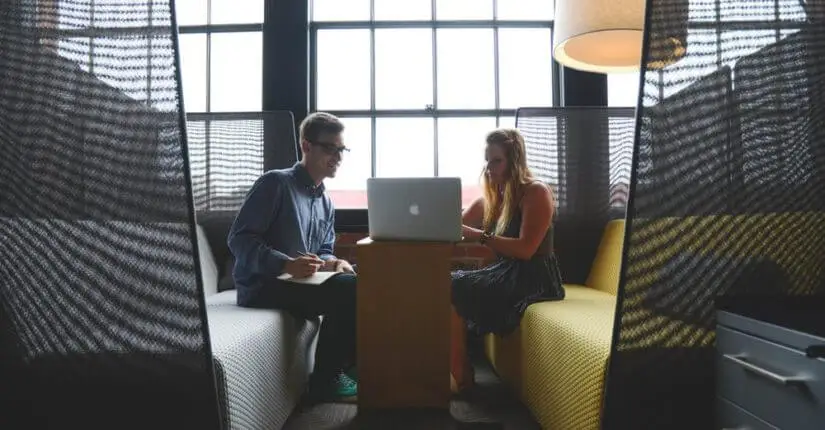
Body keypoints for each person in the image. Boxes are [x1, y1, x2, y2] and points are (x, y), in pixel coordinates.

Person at [227, 112, 358, 401]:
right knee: (351, 290)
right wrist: (285, 264)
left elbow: (323, 249)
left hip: (301, 284)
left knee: (362, 277)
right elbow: (239, 239)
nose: (337, 156)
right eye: (330, 148)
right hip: (264, 286)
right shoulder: (275, 183)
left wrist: (333, 262)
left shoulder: (325, 201)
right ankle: (325, 381)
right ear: (306, 146)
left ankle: (351, 364)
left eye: (341, 149)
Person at [450, 128, 565, 389]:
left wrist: (480, 236)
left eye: (496, 161)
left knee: (453, 285)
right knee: (445, 282)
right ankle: (458, 366)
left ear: (514, 161)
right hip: (505, 271)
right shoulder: (492, 198)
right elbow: (453, 228)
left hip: (535, 277)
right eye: (487, 161)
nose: (489, 168)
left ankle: (461, 371)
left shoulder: (535, 192)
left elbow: (526, 250)